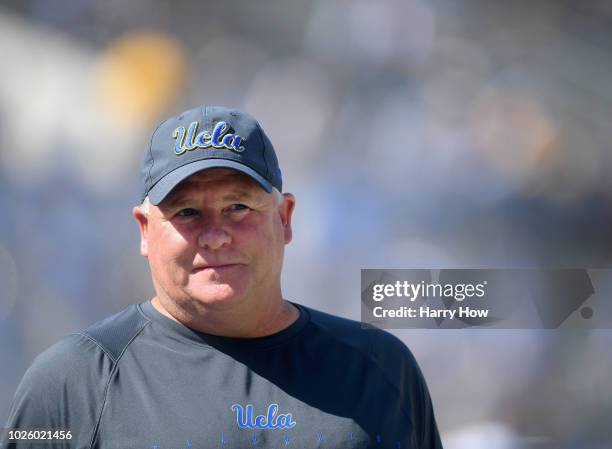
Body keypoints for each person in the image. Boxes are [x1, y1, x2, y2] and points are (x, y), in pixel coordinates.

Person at [2, 105, 443, 449]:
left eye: (238, 207)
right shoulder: (74, 381)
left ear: (285, 218)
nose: (215, 236)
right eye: (187, 212)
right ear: (144, 229)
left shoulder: (379, 368)